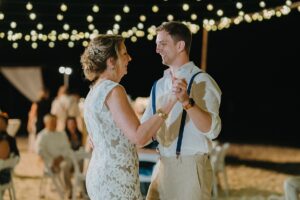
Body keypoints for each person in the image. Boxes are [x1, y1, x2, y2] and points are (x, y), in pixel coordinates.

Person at [80, 34, 177, 200]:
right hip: (115, 177)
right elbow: (138, 138)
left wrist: (153, 129)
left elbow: (124, 138)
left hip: (99, 173)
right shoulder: (114, 90)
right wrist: (170, 102)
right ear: (111, 61)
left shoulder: (94, 91)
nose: (129, 58)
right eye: (124, 54)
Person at [141, 21, 222, 200]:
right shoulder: (159, 85)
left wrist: (187, 102)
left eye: (162, 44)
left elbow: (212, 130)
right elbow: (144, 132)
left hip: (190, 168)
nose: (157, 49)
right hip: (162, 165)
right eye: (156, 45)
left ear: (180, 46)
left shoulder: (202, 81)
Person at [35, 114, 73, 197]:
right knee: (64, 166)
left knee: (77, 163)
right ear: (46, 123)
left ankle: (77, 189)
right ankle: (68, 189)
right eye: (52, 122)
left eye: (55, 122)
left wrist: (61, 157)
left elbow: (67, 147)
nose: (54, 124)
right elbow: (39, 151)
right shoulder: (42, 136)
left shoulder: (62, 134)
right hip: (51, 163)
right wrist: (52, 160)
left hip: (65, 158)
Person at [0, 112, 20, 186]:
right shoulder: (9, 139)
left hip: (3, 176)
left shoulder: (6, 140)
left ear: (5, 125)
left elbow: (2, 159)